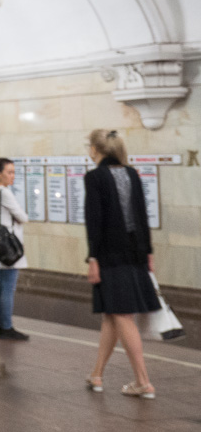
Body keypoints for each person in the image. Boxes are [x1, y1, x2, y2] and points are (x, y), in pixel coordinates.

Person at [84, 129, 158, 398]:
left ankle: (143, 381)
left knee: (123, 316)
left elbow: (95, 220)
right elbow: (142, 214)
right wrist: (148, 253)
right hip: (135, 253)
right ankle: (97, 375)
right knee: (112, 315)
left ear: (96, 149)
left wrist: (93, 258)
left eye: (89, 147)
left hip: (110, 256)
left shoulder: (95, 177)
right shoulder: (132, 174)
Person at [0, 157, 29, 341]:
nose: (12, 176)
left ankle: (1, 325)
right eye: (9, 172)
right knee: (8, 287)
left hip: (2, 244)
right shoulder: (4, 192)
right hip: (11, 246)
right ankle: (6, 326)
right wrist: (22, 216)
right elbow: (22, 217)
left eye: (13, 172)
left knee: (3, 286)